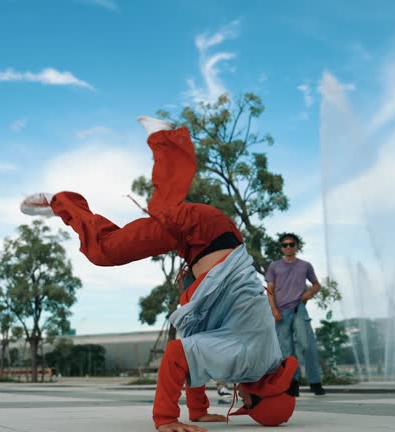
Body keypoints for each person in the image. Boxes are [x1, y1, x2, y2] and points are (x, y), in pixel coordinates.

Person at [21, 116, 298, 431]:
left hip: (208, 238)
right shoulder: (251, 363)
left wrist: (198, 411)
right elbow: (178, 355)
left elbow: (198, 349)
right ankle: (60, 202)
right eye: (248, 404)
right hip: (203, 234)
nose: (241, 400)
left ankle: (167, 139)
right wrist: (166, 419)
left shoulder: (263, 359)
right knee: (104, 251)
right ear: (261, 393)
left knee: (164, 207)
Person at [266, 233, 326, 396]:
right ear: (281, 248)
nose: (288, 247)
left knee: (307, 345)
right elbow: (269, 290)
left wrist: (309, 294)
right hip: (281, 312)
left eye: (291, 244)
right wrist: (273, 310)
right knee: (286, 351)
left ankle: (315, 382)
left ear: (297, 246)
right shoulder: (274, 266)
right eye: (285, 245)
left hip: (299, 308)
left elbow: (316, 285)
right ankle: (293, 384)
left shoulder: (305, 265)